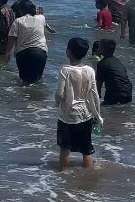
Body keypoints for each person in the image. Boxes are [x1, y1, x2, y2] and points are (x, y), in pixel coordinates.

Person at [56, 37, 103, 170]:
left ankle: (63, 174)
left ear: (69, 52)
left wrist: (57, 103)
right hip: (86, 114)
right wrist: (97, 115)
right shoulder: (90, 70)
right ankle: (88, 176)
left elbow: (60, 94)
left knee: (65, 147)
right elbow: (95, 94)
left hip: (68, 115)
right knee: (86, 149)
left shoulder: (65, 70)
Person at [6, 2, 48, 83]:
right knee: (38, 79)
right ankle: (37, 94)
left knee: (25, 80)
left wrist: (7, 52)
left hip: (23, 53)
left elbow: (12, 38)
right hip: (40, 52)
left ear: (21, 10)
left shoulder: (18, 21)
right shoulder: (41, 18)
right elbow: (39, 13)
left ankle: (24, 95)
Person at [92, 38, 132, 106]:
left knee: (105, 109)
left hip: (115, 92)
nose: (97, 49)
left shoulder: (102, 63)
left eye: (99, 47)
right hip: (127, 91)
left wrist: (97, 98)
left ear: (103, 49)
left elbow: (99, 83)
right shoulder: (118, 61)